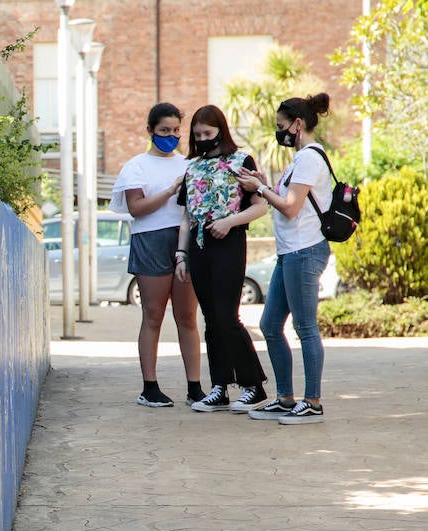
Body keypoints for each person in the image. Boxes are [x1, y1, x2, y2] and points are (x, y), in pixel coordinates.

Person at [237, 93, 335, 424]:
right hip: (290, 252)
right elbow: (291, 201)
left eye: (281, 126)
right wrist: (264, 185)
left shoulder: (309, 158)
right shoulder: (299, 160)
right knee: (269, 324)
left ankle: (313, 402)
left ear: (297, 124)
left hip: (305, 251)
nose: (279, 133)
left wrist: (261, 189)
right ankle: (284, 397)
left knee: (305, 326)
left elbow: (291, 207)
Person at [174, 105, 269, 413]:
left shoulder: (240, 161)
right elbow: (187, 217)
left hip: (229, 244)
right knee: (211, 320)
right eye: (197, 135)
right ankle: (219, 386)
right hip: (199, 249)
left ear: (221, 132)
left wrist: (230, 222)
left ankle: (253, 385)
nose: (202, 139)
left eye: (208, 134)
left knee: (228, 317)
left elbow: (260, 207)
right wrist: (181, 254)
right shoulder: (191, 168)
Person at [110, 102, 203, 408]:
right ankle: (149, 387)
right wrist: (170, 191)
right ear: (150, 130)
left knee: (187, 316)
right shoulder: (135, 167)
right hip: (150, 239)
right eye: (164, 130)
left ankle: (195, 387)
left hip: (184, 239)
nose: (171, 136)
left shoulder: (190, 164)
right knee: (153, 314)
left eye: (176, 130)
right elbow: (136, 208)